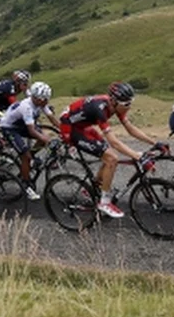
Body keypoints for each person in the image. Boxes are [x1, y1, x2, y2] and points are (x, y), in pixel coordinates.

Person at [59, 81, 165, 219]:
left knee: (106, 153)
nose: (129, 107)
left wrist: (155, 142)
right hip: (70, 128)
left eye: (130, 102)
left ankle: (93, 187)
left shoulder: (116, 106)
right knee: (112, 158)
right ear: (114, 101)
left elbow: (130, 129)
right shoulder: (100, 109)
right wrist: (137, 156)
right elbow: (114, 142)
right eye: (126, 104)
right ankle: (104, 202)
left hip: (83, 126)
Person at [0, 80, 61, 200]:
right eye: (44, 99)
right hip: (9, 128)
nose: (46, 102)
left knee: (42, 137)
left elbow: (52, 119)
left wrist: (65, 131)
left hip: (21, 125)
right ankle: (26, 184)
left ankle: (29, 159)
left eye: (47, 99)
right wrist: (48, 141)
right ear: (36, 98)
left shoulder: (41, 102)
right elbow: (32, 131)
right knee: (25, 156)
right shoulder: (26, 107)